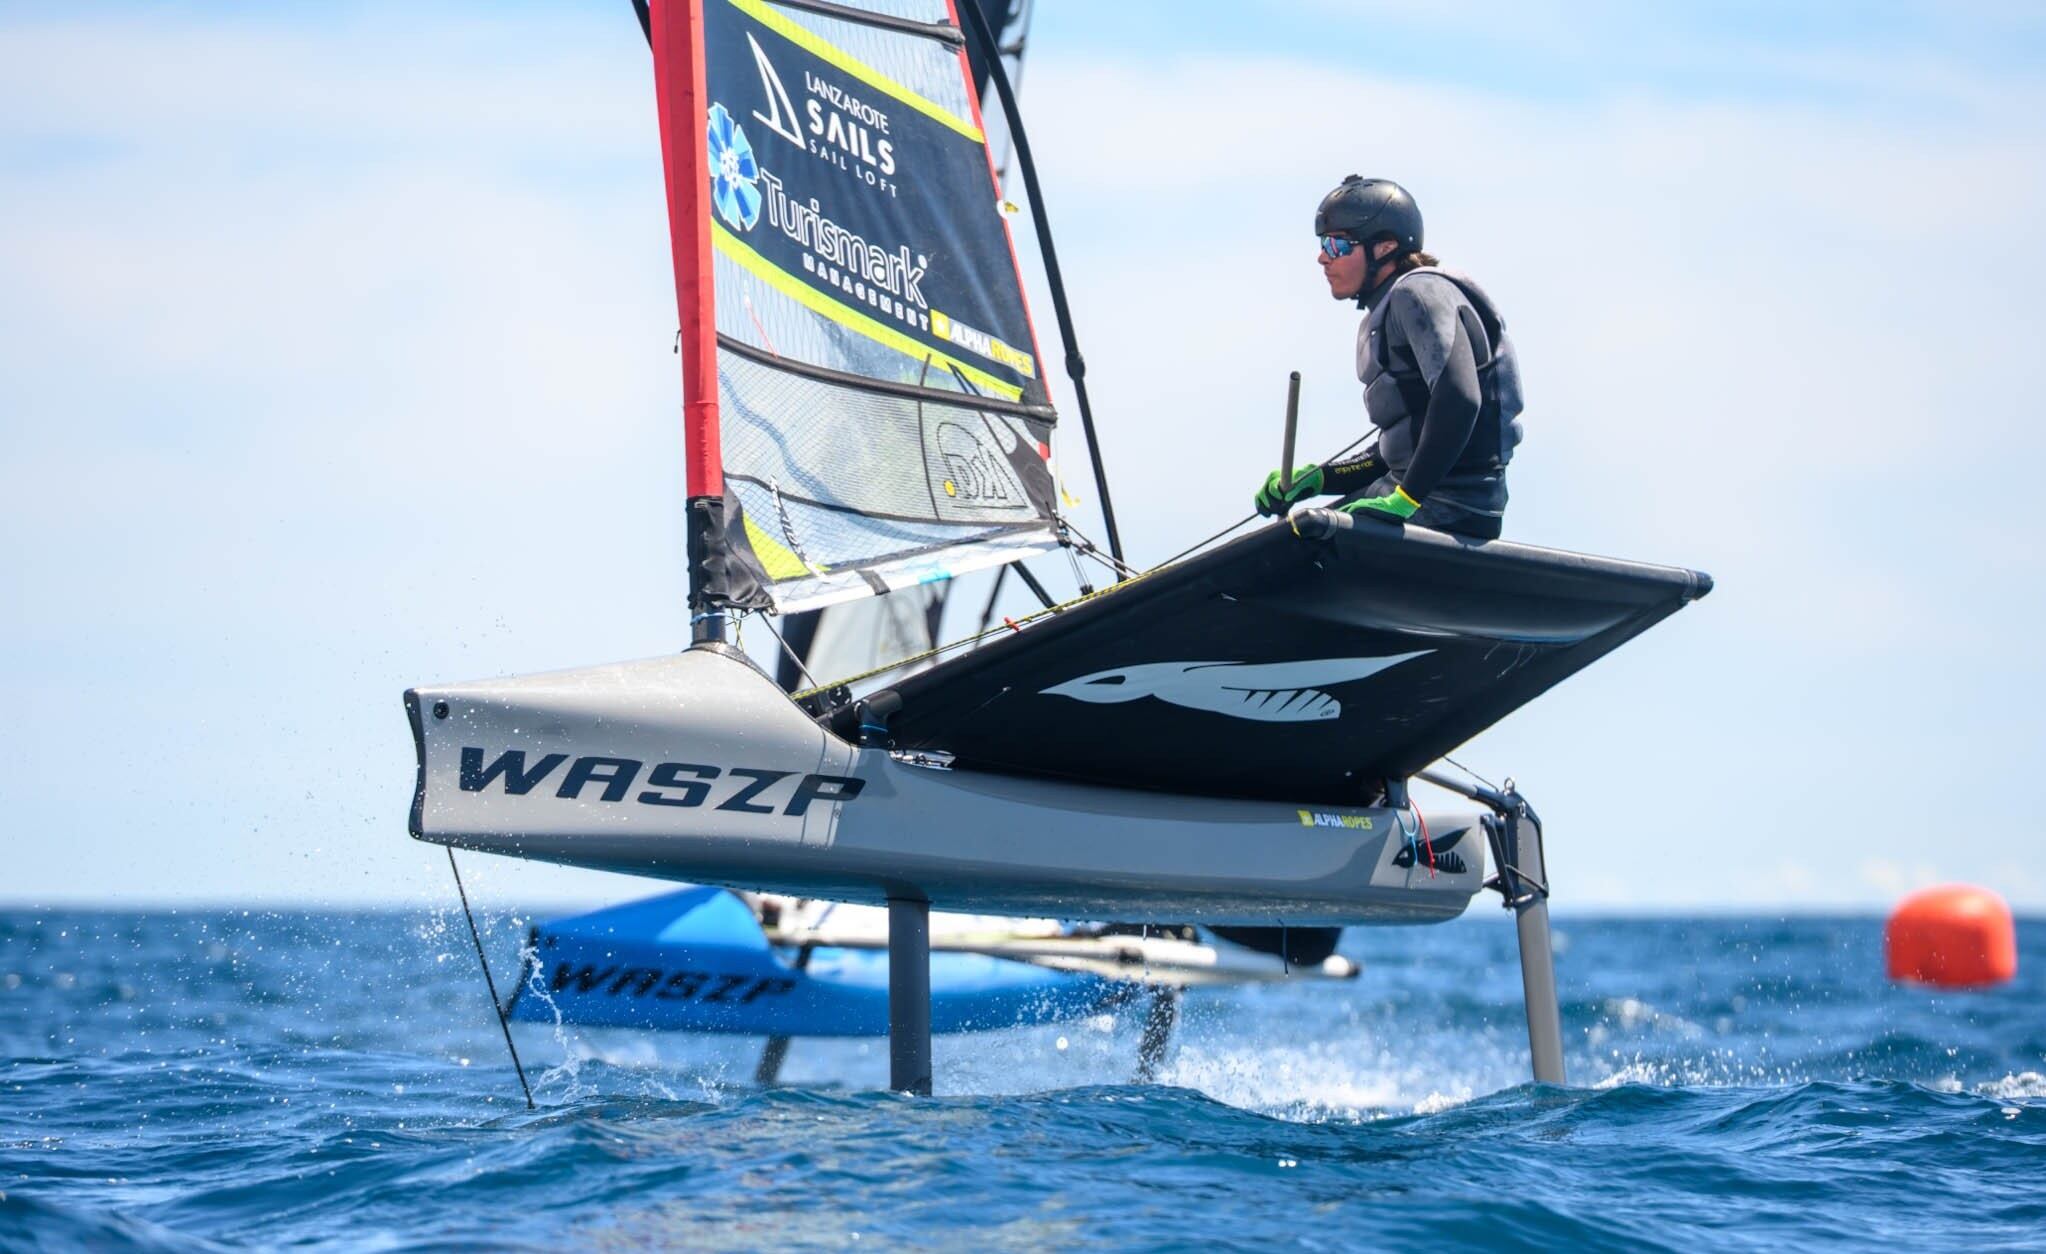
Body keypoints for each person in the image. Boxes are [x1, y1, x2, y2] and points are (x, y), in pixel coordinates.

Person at [1253, 176, 1524, 540]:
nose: (1322, 257)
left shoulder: (1417, 292)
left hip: (1450, 503)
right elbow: (1402, 448)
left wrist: (1407, 498)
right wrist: (1319, 478)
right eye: (1322, 244)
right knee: (1288, 538)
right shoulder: (1385, 312)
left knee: (1297, 548)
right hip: (1415, 493)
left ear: (1384, 248)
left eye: (1336, 245)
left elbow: (1460, 398)